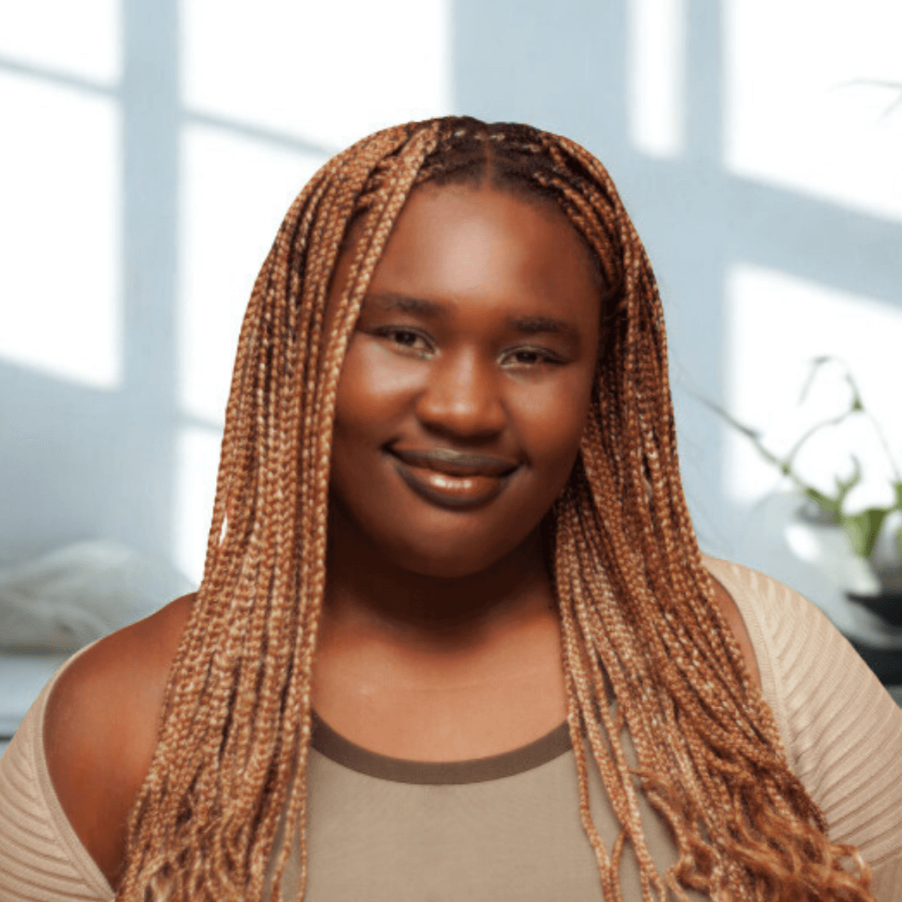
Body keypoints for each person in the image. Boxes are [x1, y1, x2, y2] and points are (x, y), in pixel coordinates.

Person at [0, 116, 900, 902]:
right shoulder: (114, 717)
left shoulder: (761, 667)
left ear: (601, 388)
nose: (464, 409)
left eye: (531, 354)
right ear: (304, 351)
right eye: (405, 336)